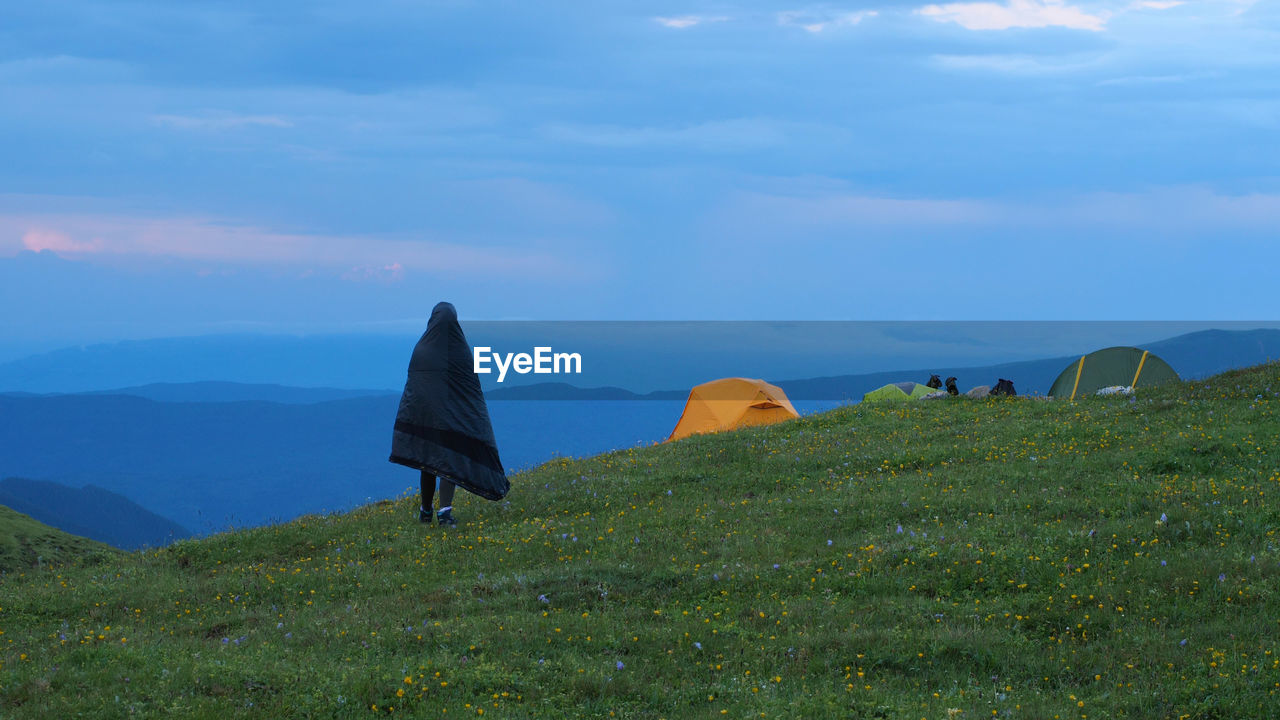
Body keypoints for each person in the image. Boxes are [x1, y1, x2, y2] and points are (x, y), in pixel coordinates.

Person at [389, 302, 510, 526]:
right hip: (451, 418)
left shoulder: (421, 348)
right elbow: (469, 387)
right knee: (449, 460)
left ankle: (425, 511)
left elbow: (414, 388)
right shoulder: (459, 349)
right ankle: (444, 512)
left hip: (424, 419)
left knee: (428, 461)